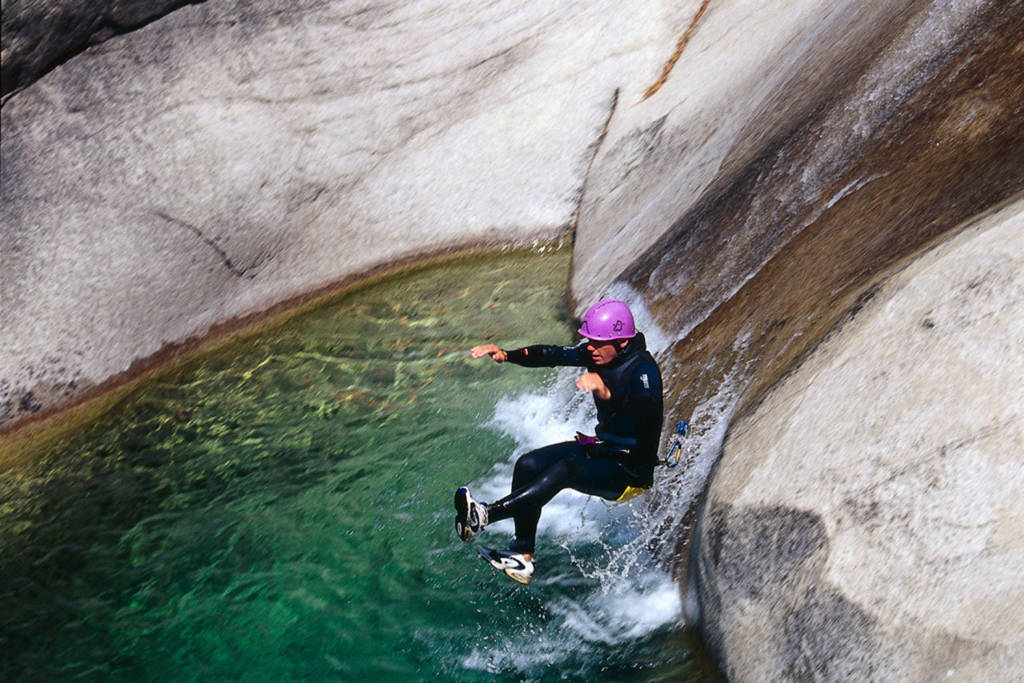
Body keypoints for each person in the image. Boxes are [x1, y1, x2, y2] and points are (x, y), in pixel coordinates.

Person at [454, 299, 664, 584]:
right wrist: (506, 354)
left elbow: (647, 412)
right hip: (604, 450)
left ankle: (486, 515)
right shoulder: (597, 355)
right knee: (528, 464)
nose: (590, 348)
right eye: (589, 341)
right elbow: (551, 354)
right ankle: (522, 554)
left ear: (622, 342)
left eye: (598, 343)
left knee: (566, 469)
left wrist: (607, 393)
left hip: (631, 471)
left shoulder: (643, 370)